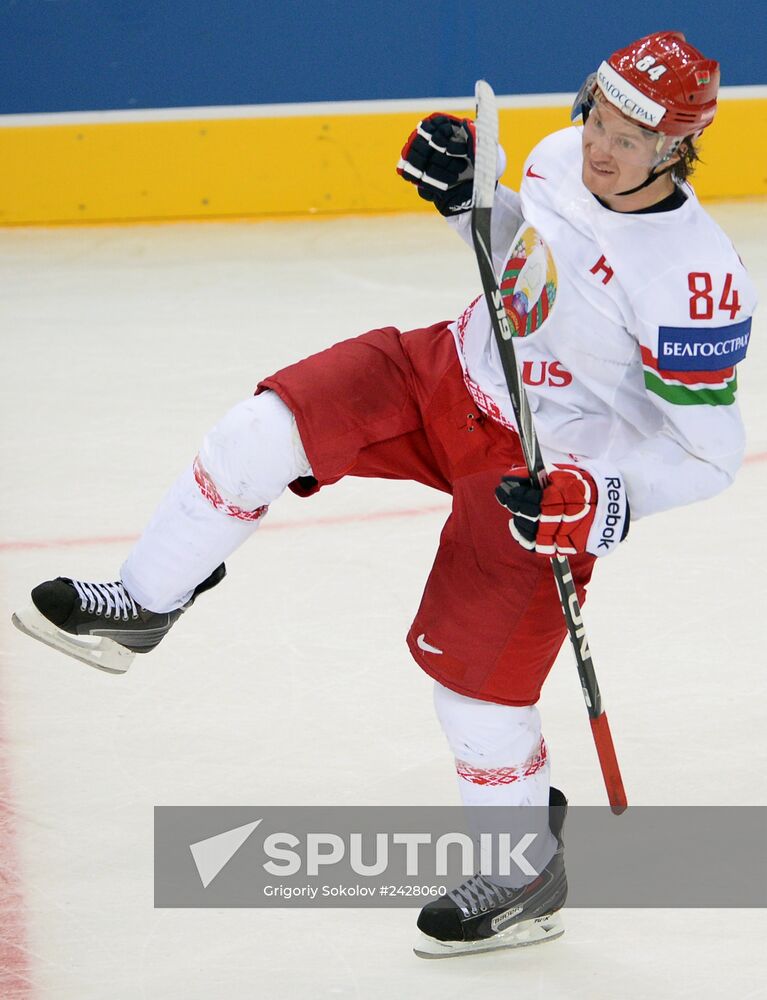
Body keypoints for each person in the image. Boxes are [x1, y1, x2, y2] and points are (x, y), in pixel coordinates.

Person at [12, 31, 756, 958]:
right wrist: (468, 199)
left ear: (676, 147)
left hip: (539, 468)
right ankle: (143, 603)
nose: (601, 145)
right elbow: (524, 273)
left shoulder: (696, 281)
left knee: (472, 688)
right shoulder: (560, 157)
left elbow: (708, 451)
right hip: (448, 370)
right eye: (597, 118)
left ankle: (522, 868)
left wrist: (599, 498)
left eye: (631, 137)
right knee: (259, 434)